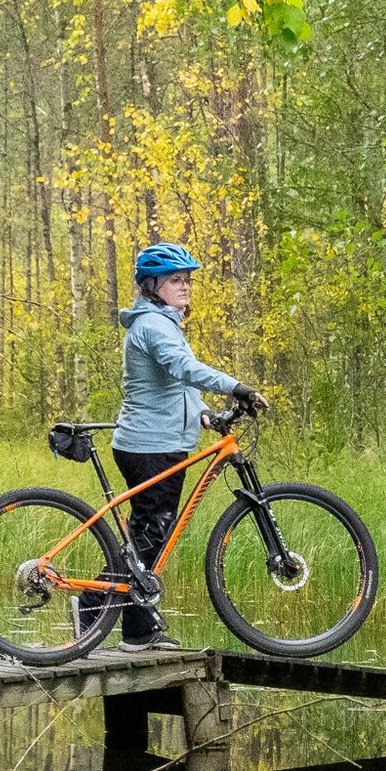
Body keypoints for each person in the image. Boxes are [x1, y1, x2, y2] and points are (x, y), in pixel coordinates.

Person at [112, 243, 269, 650]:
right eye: (174, 280)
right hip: (151, 444)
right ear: (151, 286)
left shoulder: (162, 322)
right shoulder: (154, 325)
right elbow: (184, 368)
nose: (184, 287)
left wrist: (203, 413)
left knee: (149, 534)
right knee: (152, 532)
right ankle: (97, 607)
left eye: (186, 280)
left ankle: (136, 629)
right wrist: (236, 386)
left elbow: (175, 384)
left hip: (156, 441)